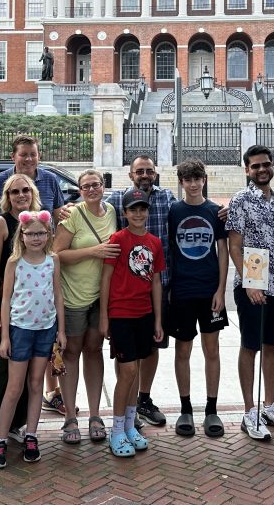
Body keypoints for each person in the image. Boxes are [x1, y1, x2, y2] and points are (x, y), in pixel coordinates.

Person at [226, 145, 274, 441]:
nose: (262, 169)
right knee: (250, 346)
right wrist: (251, 283)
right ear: (247, 170)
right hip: (252, 284)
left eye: (266, 164)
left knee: (273, 346)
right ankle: (248, 409)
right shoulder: (241, 199)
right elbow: (234, 245)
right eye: (255, 166)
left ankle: (269, 404)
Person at [0, 211, 66, 469]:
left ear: (48, 234)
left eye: (41, 233)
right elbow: (6, 299)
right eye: (31, 233)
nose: (36, 238)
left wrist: (61, 330)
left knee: (36, 384)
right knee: (14, 386)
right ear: (22, 234)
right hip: (20, 329)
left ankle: (31, 435)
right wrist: (5, 338)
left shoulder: (53, 260)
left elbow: (57, 294)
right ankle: (0, 439)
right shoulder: (15, 262)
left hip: (46, 329)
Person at [105, 156, 178, 427]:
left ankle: (143, 399)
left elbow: (186, 214)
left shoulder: (167, 197)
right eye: (140, 171)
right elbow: (93, 210)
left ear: (155, 173)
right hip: (126, 291)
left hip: (159, 283)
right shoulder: (116, 200)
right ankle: (125, 403)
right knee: (126, 354)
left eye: (149, 171)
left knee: (151, 347)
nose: (145, 175)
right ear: (131, 174)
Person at [0, 173, 43, 453]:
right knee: (5, 365)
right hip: (8, 307)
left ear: (33, 193)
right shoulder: (1, 224)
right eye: (14, 191)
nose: (20, 195)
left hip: (36, 310)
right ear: (7, 196)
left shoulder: (40, 222)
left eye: (25, 190)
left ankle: (15, 424)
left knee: (28, 369)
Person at [54, 169, 118, 444]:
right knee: (71, 354)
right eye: (85, 186)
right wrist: (93, 251)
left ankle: (94, 414)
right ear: (79, 191)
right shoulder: (73, 216)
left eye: (96, 185)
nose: (91, 190)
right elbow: (56, 255)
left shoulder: (113, 211)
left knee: (94, 352)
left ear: (103, 187)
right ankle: (70, 417)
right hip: (74, 297)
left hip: (100, 298)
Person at [99, 190, 165, 458]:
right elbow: (106, 278)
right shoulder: (118, 239)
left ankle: (129, 424)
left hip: (145, 314)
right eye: (133, 209)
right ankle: (116, 430)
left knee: (136, 371)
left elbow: (156, 282)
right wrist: (105, 316)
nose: (138, 214)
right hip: (122, 313)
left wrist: (158, 319)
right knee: (126, 372)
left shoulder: (154, 242)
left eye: (142, 209)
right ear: (124, 213)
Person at [167, 159, 228, 438]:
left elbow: (223, 251)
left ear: (204, 179)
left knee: (212, 349)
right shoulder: (174, 211)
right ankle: (185, 408)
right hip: (182, 290)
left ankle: (211, 408)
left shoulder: (216, 211)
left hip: (208, 290)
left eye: (197, 179)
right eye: (187, 179)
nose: (192, 184)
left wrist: (220, 290)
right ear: (181, 182)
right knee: (183, 350)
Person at [0, 135, 66, 229]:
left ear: (39, 156)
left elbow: (59, 220)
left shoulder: (50, 179)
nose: (29, 159)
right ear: (13, 156)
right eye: (23, 155)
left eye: (33, 154)